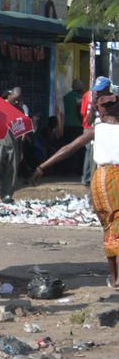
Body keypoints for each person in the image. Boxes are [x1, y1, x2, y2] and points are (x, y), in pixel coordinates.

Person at [31, 92, 119, 287]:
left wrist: (42, 166)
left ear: (100, 112)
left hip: (102, 179)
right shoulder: (100, 129)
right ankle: (115, 278)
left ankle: (114, 278)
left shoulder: (96, 130)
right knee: (117, 226)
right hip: (113, 180)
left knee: (109, 226)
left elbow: (68, 149)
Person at [81, 77, 112, 187]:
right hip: (97, 140)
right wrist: (94, 106)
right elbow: (89, 121)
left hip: (110, 140)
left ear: (108, 88)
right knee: (94, 167)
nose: (97, 92)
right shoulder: (94, 102)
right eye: (96, 90)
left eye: (100, 90)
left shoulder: (114, 101)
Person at [60, 79, 87, 176]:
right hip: (77, 126)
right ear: (80, 88)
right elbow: (79, 111)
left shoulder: (66, 97)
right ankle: (79, 170)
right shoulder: (80, 98)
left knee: (68, 147)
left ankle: (66, 169)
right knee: (80, 149)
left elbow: (62, 112)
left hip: (67, 126)